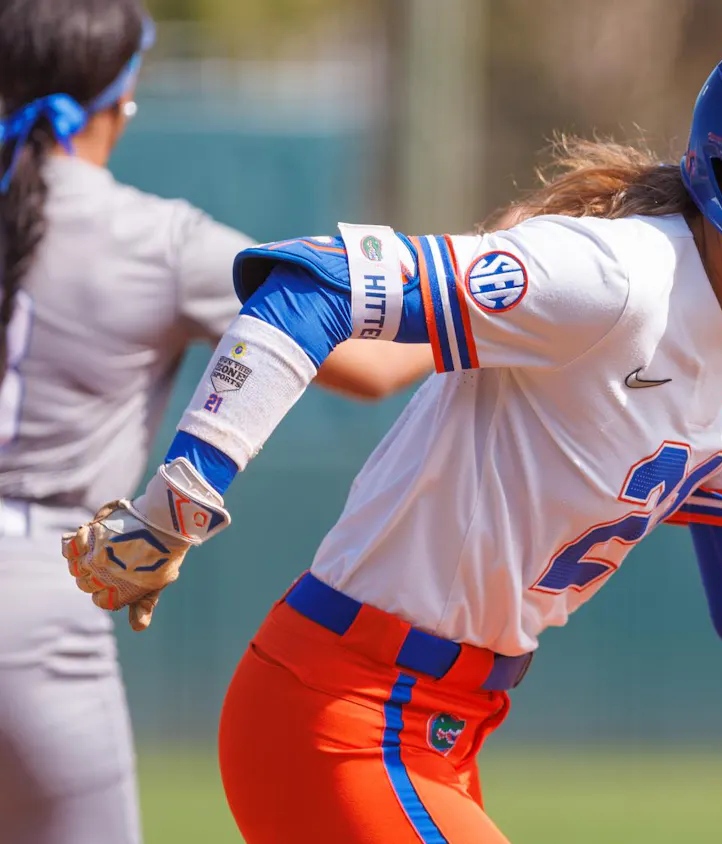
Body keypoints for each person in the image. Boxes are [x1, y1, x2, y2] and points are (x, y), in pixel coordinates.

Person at [62, 22, 722, 843]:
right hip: (336, 711)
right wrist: (175, 504)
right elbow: (311, 286)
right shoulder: (615, 276)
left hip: (442, 733)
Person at [0, 1, 432, 842]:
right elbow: (371, 367)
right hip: (42, 594)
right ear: (119, 101)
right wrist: (495, 275)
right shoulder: (161, 239)